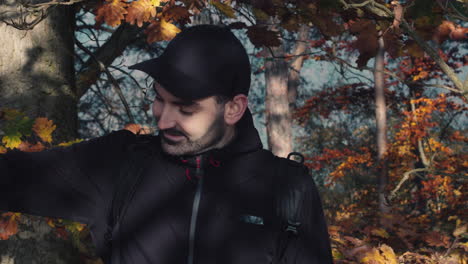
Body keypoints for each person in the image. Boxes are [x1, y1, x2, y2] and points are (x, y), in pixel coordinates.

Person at [0, 24, 332, 263]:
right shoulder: (120, 165)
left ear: (234, 108)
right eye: (159, 99)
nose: (163, 120)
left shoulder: (286, 188)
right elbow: (12, 177)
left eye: (185, 109)